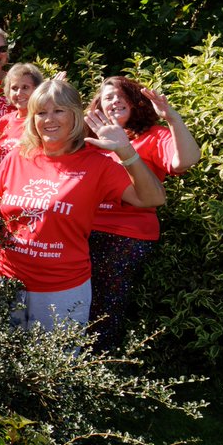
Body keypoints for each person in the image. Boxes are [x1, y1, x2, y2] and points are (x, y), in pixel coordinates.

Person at [0, 79, 165, 331]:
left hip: (60, 290)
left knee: (55, 358)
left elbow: (153, 198)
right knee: (1, 352)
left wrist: (126, 152)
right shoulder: (17, 156)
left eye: (58, 110)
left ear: (75, 115)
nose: (49, 119)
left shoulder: (96, 163)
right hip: (5, 278)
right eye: (41, 112)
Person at [87, 76, 200, 349]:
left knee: (106, 304)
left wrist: (172, 118)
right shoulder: (90, 137)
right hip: (83, 229)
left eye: (122, 96)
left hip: (126, 234)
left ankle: (101, 361)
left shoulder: (153, 135)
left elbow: (185, 161)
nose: (115, 101)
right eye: (108, 97)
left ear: (136, 101)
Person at [0, 63, 46, 171]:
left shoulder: (41, 122)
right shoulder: (4, 121)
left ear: (37, 90)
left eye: (25, 87)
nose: (19, 93)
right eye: (14, 88)